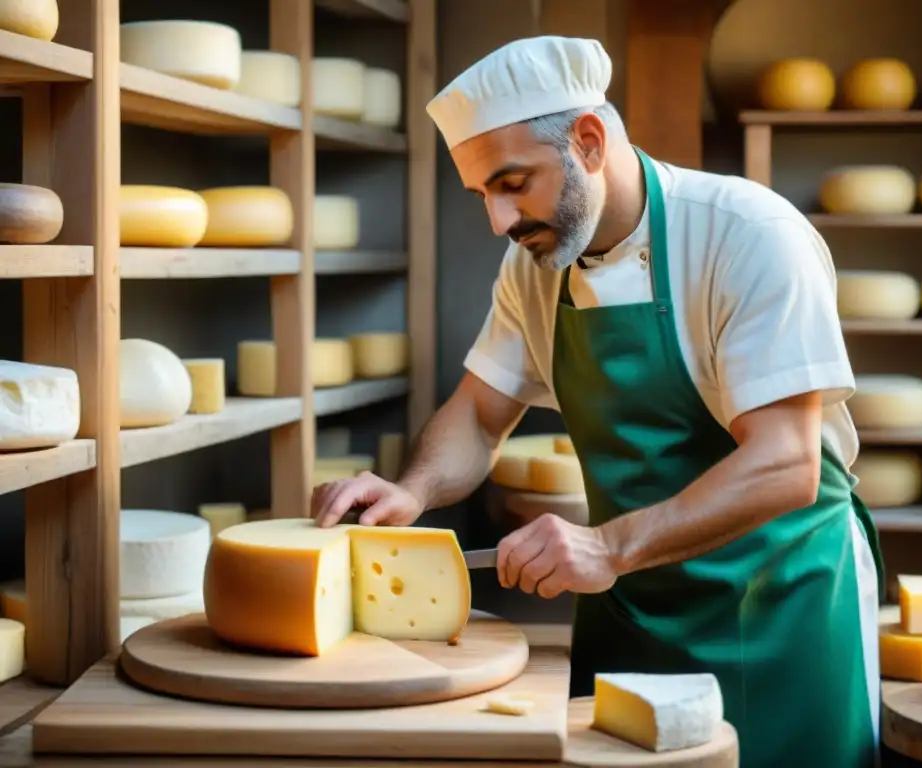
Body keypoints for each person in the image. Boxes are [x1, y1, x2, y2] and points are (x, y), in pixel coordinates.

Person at [310, 35, 882, 768]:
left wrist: (607, 546)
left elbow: (786, 463)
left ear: (587, 139)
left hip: (780, 611)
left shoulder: (747, 236)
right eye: (483, 193)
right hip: (632, 609)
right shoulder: (536, 265)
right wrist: (410, 489)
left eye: (513, 181)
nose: (499, 218)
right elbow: (480, 413)